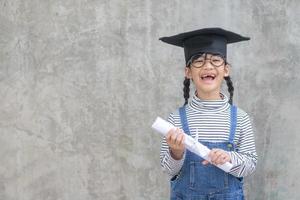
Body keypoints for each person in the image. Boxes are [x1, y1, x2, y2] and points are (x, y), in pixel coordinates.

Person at [159, 28, 258, 200]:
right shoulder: (176, 119)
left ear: (226, 69)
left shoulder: (241, 118)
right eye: (198, 61)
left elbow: (250, 164)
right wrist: (176, 152)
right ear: (188, 72)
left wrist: (229, 157)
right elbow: (169, 169)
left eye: (215, 60)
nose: (207, 66)